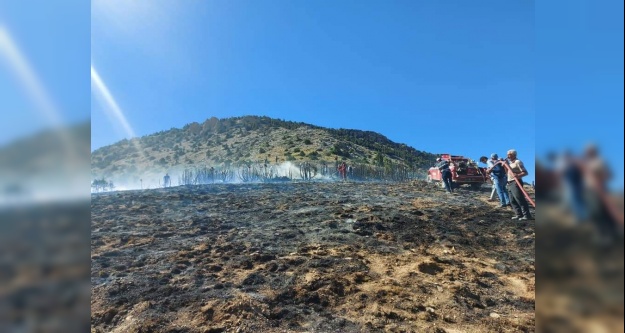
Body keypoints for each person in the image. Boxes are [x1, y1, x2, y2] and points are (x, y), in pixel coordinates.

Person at [505, 149, 532, 220]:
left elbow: (525, 172)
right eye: (507, 155)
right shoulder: (510, 163)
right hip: (509, 183)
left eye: (509, 155)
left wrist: (517, 175)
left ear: (514, 155)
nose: (508, 156)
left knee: (519, 199)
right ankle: (519, 214)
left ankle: (527, 215)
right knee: (512, 200)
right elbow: (507, 172)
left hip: (516, 182)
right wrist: (505, 165)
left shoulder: (518, 162)